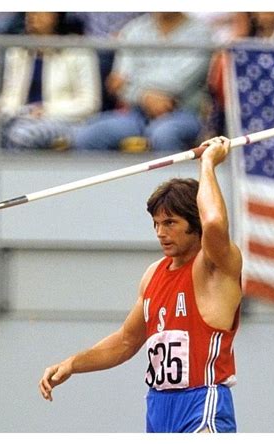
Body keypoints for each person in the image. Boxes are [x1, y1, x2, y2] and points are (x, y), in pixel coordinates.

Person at [39, 136, 243, 433]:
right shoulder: (153, 274)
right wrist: (73, 363)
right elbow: (125, 341)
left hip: (203, 402)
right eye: (156, 224)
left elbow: (213, 222)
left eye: (170, 223)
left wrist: (208, 163)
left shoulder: (214, 267)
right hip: (158, 407)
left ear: (193, 223)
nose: (160, 233)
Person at [72, 12, 212, 152]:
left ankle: (176, 174)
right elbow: (118, 85)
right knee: (88, 135)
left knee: (164, 135)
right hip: (136, 113)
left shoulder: (201, 33)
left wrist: (136, 84)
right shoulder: (134, 29)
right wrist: (143, 97)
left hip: (183, 112)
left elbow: (179, 82)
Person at [0, 12, 101, 150]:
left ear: (57, 16)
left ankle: (19, 172)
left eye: (40, 11)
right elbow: (9, 96)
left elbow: (90, 104)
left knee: (20, 136)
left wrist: (46, 109)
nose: (32, 16)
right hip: (21, 115)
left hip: (64, 119)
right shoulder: (17, 50)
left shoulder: (79, 50)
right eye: (30, 12)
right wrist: (3, 112)